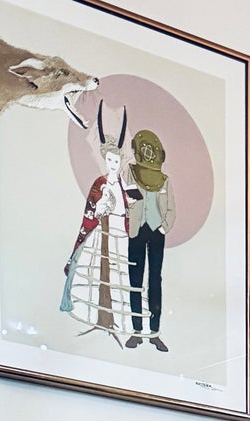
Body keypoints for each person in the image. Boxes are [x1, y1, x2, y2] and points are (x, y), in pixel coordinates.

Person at [60, 102, 131, 343]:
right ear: (105, 160)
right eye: (110, 161)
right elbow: (91, 211)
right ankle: (96, 316)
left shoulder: (123, 185)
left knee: (119, 275)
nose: (113, 165)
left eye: (116, 161)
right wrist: (102, 208)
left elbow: (127, 210)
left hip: (120, 234)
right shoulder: (100, 183)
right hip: (102, 233)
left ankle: (116, 319)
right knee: (97, 274)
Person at [125, 127, 175, 353]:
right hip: (136, 231)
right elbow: (129, 200)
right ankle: (136, 331)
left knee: (155, 281)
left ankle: (154, 332)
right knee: (135, 281)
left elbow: (171, 209)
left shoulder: (165, 180)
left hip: (156, 233)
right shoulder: (131, 173)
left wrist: (164, 228)